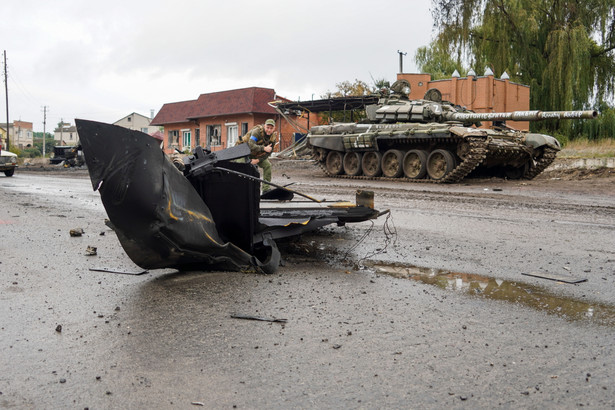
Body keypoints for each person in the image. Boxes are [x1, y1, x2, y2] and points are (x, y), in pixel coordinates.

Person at [240, 119, 278, 192]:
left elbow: (268, 153)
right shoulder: (256, 132)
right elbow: (251, 145)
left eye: (271, 128)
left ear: (274, 129)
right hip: (244, 153)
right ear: (264, 126)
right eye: (267, 127)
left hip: (256, 155)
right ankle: (240, 188)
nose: (269, 130)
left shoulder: (272, 138)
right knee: (240, 166)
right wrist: (264, 148)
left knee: (268, 165)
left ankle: (266, 189)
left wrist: (257, 160)